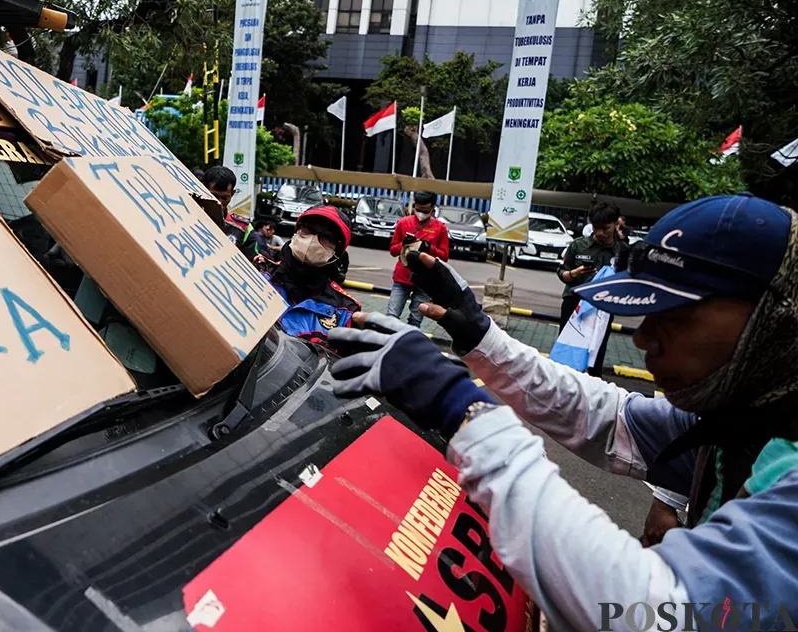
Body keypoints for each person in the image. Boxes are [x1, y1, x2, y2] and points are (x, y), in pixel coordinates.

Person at [327, 194, 798, 630]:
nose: (641, 338)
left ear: (774, 318)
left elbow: (662, 610)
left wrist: (465, 410)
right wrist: (483, 339)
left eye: (673, 316)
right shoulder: (741, 417)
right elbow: (607, 416)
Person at [258, 206, 360, 344]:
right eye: (308, 230)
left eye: (327, 237)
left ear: (338, 252)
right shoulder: (259, 275)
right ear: (296, 232)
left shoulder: (345, 312)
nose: (313, 240)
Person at [558, 201, 628, 375]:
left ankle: (590, 390)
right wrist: (574, 273)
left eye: (605, 228)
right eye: (596, 228)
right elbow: (562, 273)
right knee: (567, 350)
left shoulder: (623, 250)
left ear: (616, 224)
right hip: (575, 303)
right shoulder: (578, 245)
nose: (600, 233)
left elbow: (627, 281)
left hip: (603, 308)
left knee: (596, 352)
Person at [386, 190, 449, 328]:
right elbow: (393, 251)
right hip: (402, 277)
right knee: (391, 316)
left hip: (425, 280)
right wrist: (403, 243)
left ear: (433, 208)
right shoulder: (403, 223)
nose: (421, 213)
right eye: (418, 209)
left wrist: (429, 248)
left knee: (415, 320)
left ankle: (409, 346)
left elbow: (444, 256)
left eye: (425, 210)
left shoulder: (440, 228)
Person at [201, 165, 250, 246]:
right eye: (214, 196)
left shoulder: (243, 227)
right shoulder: (188, 215)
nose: (219, 202)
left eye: (224, 197)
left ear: (232, 194)